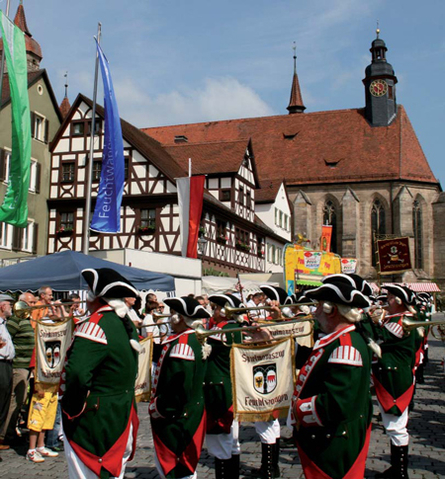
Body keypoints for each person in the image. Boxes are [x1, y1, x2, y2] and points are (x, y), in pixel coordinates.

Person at [61, 268, 140, 479]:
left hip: (94, 418)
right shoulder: (127, 325)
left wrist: (73, 405)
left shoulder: (93, 325)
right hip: (121, 412)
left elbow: (77, 374)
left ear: (95, 296)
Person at [291, 276, 373, 479]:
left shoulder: (345, 348)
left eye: (318, 306)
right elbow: (316, 361)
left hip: (333, 441)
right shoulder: (340, 340)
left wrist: (296, 409)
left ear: (332, 310)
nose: (315, 312)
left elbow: (336, 405)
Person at [149, 296, 211, 479]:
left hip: (178, 416)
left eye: (173, 314)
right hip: (192, 410)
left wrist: (159, 407)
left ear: (181, 318)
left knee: (176, 467)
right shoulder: (194, 338)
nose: (170, 318)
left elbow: (177, 390)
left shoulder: (183, 345)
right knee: (185, 466)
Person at [373, 285, 419, 479]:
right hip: (392, 374)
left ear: (400, 301)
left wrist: (374, 321)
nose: (386, 300)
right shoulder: (397, 319)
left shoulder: (402, 321)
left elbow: (384, 337)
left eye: (391, 297)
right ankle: (396, 469)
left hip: (395, 377)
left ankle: (400, 472)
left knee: (396, 425)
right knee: (393, 424)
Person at [205, 294, 244, 479]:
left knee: (219, 440)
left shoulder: (220, 331)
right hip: (234, 386)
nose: (214, 311)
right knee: (233, 438)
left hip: (218, 387)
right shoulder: (239, 328)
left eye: (217, 307)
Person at [0, 293, 36, 447]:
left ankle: (8, 432)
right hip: (15, 365)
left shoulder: (24, 320)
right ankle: (4, 434)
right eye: (31, 302)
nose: (34, 305)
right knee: (12, 400)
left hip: (24, 365)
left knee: (17, 399)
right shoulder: (14, 321)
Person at [0, 294, 15, 453]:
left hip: (7, 364)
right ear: (2, 306)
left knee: (4, 402)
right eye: (9, 305)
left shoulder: (4, 323)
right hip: (1, 364)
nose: (12, 307)